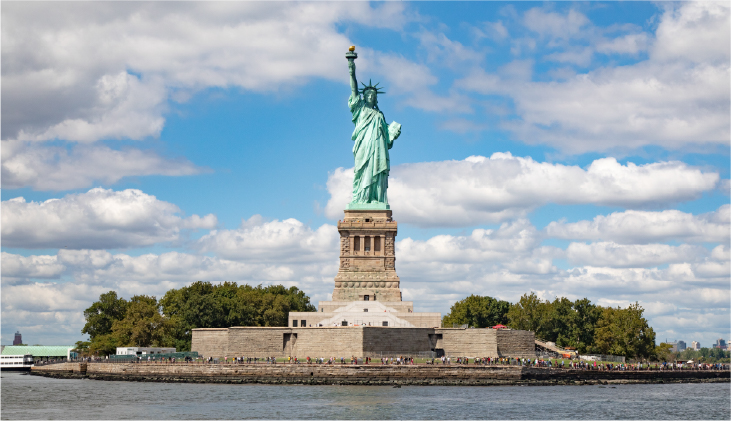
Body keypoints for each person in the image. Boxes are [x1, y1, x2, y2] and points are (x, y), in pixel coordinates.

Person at [346, 53, 401, 206]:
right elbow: (354, 88)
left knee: (377, 170)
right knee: (363, 170)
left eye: (373, 95)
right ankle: (362, 199)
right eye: (368, 94)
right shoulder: (359, 109)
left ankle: (376, 198)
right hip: (364, 145)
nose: (370, 96)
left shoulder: (380, 114)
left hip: (378, 147)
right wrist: (351, 68)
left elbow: (387, 139)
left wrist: (393, 134)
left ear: (376, 98)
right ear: (363, 97)